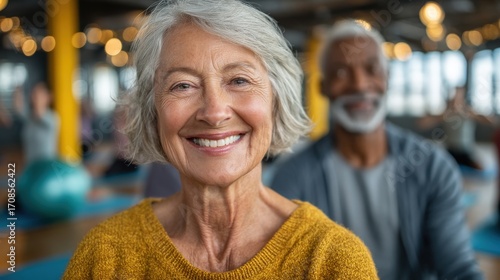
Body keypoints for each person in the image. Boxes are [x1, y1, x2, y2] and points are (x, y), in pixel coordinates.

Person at [63, 1, 378, 279]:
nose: (214, 112)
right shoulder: (106, 256)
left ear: (276, 100)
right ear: (153, 110)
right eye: (183, 86)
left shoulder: (333, 260)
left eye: (239, 80)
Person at [271, 20, 483, 280]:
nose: (359, 85)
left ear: (387, 78)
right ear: (322, 88)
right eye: (340, 72)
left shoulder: (432, 167)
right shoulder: (293, 177)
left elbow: (459, 270)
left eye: (371, 69)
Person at [418, 86, 496, 170]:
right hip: (450, 151)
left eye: (459, 96)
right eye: (455, 95)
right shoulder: (445, 113)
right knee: (436, 168)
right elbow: (421, 124)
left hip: (466, 151)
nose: (456, 98)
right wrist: (441, 116)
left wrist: (473, 115)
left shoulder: (469, 112)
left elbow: (491, 121)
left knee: (481, 167)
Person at [14, 83, 59, 163]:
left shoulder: (52, 118)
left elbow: (39, 112)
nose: (36, 96)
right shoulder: (30, 116)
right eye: (34, 93)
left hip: (46, 168)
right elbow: (18, 108)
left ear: (48, 97)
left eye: (40, 94)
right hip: (30, 166)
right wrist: (18, 91)